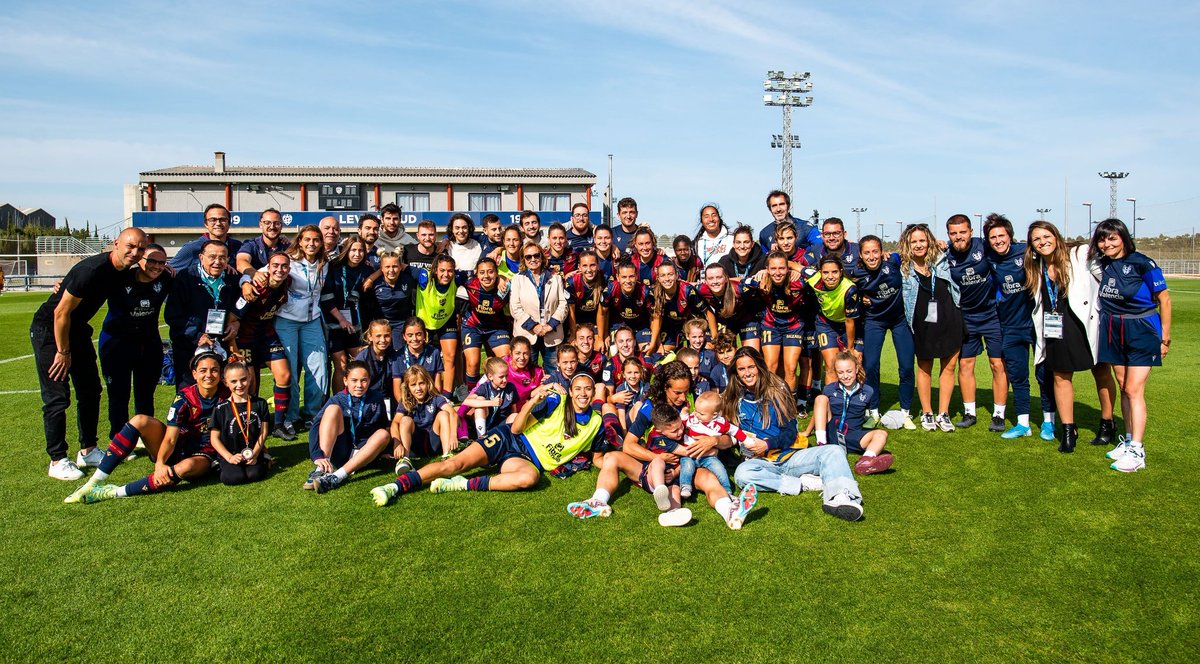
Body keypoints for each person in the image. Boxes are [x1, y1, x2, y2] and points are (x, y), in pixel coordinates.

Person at [370, 375, 618, 506]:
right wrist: (532, 402)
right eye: (578, 389)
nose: (583, 394)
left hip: (526, 461)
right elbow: (519, 428)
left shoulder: (596, 423)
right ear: (571, 390)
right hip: (509, 438)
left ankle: (461, 485)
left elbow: (597, 458)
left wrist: (613, 463)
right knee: (455, 464)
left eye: (588, 389)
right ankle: (396, 486)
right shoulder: (555, 402)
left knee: (530, 479)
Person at [33, 227, 147, 480]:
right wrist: (63, 351)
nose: (135, 252)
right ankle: (57, 459)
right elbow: (60, 313)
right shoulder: (92, 270)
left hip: (78, 331)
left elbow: (150, 272)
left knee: (90, 390)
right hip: (51, 332)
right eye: (130, 246)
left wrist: (168, 269)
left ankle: (88, 450)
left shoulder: (121, 272)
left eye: (140, 248)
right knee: (57, 396)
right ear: (116, 243)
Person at [723, 347, 864, 521]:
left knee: (834, 450)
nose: (747, 373)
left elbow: (790, 433)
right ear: (736, 373)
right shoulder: (732, 399)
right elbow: (726, 430)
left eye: (751, 367)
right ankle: (801, 483)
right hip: (761, 463)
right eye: (741, 369)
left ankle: (841, 497)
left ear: (759, 366)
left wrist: (767, 444)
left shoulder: (777, 390)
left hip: (790, 456)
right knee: (742, 474)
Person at [66, 353, 228, 504]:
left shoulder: (228, 395)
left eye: (214, 370)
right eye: (203, 370)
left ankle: (111, 492)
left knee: (186, 467)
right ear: (194, 374)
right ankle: (93, 482)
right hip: (178, 447)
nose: (209, 375)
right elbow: (171, 438)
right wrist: (160, 463)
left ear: (221, 374)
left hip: (205, 454)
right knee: (140, 420)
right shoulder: (184, 398)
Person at [1090, 219, 1170, 472]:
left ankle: (1138, 449)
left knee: (1134, 389)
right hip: (1113, 329)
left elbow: (1164, 300)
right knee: (1124, 386)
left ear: (1123, 238)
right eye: (1103, 239)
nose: (1107, 244)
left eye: (1112, 238)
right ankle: (1127, 439)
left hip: (1142, 329)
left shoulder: (1143, 263)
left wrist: (1164, 338)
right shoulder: (1102, 263)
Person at [1025, 221, 1094, 453]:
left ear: (1056, 236)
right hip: (1054, 329)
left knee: (1101, 371)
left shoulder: (1078, 254)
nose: (1043, 241)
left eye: (1046, 236)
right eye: (1036, 239)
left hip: (1082, 324)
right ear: (1032, 246)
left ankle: (1107, 423)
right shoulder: (1035, 267)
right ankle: (1068, 429)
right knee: (1061, 377)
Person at [99, 243, 171, 439]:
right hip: (116, 343)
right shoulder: (120, 278)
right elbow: (87, 282)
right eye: (152, 261)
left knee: (146, 392)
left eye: (162, 262)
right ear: (140, 260)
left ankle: (145, 434)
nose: (156, 266)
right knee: (119, 394)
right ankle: (118, 437)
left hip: (148, 343)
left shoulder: (166, 278)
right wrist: (61, 284)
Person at [945, 214, 1006, 429]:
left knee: (997, 364)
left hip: (991, 315)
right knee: (965, 364)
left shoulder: (985, 245)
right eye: (954, 233)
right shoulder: (946, 255)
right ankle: (969, 412)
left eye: (963, 232)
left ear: (971, 231)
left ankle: (999, 414)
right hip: (965, 317)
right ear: (949, 235)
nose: (959, 236)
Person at [899, 223, 961, 433]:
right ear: (907, 244)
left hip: (949, 319)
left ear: (930, 241)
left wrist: (943, 245)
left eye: (922, 240)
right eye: (914, 241)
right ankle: (927, 412)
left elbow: (960, 246)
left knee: (949, 367)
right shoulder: (903, 268)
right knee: (925, 368)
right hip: (922, 325)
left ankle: (943, 413)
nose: (918, 245)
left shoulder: (941, 260)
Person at [983, 214, 1037, 437]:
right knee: (1018, 375)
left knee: (1047, 373)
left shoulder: (1026, 251)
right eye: (993, 237)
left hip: (1037, 323)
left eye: (1001, 235)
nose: (997, 240)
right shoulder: (989, 257)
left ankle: (1050, 421)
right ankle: (1023, 423)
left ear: (1010, 235)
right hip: (1010, 325)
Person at [230, 251, 293, 439]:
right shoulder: (256, 286)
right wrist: (233, 347)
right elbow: (232, 318)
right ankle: (249, 425)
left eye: (284, 266)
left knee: (284, 375)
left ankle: (279, 425)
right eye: (275, 266)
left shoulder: (286, 283)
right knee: (249, 384)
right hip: (245, 338)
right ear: (268, 267)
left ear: (289, 269)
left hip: (266, 334)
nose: (280, 270)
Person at [856, 236, 915, 429]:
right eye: (867, 252)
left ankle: (906, 412)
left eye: (875, 251)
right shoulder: (856, 273)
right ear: (860, 255)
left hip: (899, 321)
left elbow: (914, 250)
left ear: (882, 252)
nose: (872, 256)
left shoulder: (893, 260)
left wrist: (942, 244)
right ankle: (872, 410)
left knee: (906, 366)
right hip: (875, 321)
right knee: (871, 365)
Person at [305, 360, 391, 493]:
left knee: (384, 434)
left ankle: (336, 477)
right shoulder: (338, 399)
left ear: (369, 380)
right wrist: (317, 456)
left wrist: (385, 450)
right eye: (354, 380)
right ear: (345, 381)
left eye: (364, 380)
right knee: (333, 409)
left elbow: (384, 425)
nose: (359, 385)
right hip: (341, 450)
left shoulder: (377, 397)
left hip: (363, 453)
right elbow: (316, 426)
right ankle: (322, 469)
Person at [274, 225, 329, 430]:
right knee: (290, 370)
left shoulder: (325, 263)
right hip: (287, 320)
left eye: (316, 240)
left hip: (312, 320)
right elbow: (263, 272)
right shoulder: (289, 261)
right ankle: (290, 416)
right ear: (300, 241)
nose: (311, 244)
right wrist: (246, 278)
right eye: (307, 240)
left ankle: (312, 414)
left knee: (319, 369)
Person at [164, 240, 240, 387]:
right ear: (201, 257)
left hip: (219, 345)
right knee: (189, 392)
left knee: (220, 392)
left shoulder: (232, 278)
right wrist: (198, 335)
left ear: (228, 260)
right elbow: (173, 316)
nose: (217, 262)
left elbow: (239, 306)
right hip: (189, 347)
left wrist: (236, 321)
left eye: (222, 257)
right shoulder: (185, 278)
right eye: (212, 257)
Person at [807, 351, 894, 475]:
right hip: (832, 433)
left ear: (857, 368)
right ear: (836, 372)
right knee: (820, 399)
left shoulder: (868, 391)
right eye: (840, 372)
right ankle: (822, 447)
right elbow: (819, 412)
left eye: (849, 371)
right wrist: (807, 431)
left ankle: (864, 462)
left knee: (881, 434)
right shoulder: (829, 389)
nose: (845, 376)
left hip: (853, 435)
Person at [742, 251, 808, 408]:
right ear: (767, 269)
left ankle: (789, 405)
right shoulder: (762, 280)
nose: (777, 273)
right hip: (771, 325)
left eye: (782, 268)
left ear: (787, 269)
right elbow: (743, 283)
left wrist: (795, 268)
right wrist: (758, 274)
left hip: (793, 326)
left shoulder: (798, 282)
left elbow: (816, 276)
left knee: (791, 368)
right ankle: (770, 402)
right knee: (770, 365)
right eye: (773, 269)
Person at [321, 235, 372, 391]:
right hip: (334, 323)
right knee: (341, 364)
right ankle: (339, 401)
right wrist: (341, 319)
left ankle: (359, 398)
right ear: (346, 250)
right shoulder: (334, 266)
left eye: (361, 251)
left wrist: (372, 277)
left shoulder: (366, 268)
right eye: (353, 250)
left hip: (354, 325)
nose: (357, 254)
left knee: (362, 361)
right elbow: (326, 298)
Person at [209, 361, 271, 486]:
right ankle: (219, 464)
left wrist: (256, 453)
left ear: (249, 377)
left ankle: (263, 459)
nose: (239, 385)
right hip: (230, 454)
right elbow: (214, 438)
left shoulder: (260, 403)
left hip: (252, 451)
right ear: (226, 383)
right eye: (233, 381)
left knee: (256, 474)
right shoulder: (221, 408)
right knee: (234, 478)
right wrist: (229, 457)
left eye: (243, 379)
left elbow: (263, 432)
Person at [510, 242, 568, 373]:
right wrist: (534, 326)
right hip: (527, 334)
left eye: (536, 255)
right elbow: (515, 308)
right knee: (526, 372)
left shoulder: (556, 278)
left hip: (552, 333)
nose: (533, 259)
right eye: (528, 257)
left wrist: (550, 325)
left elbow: (563, 304)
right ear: (523, 260)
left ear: (542, 257)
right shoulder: (517, 279)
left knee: (555, 372)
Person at [408, 253, 462, 396]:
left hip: (446, 321)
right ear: (436, 270)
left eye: (450, 270)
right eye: (442, 270)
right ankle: (423, 393)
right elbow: (403, 267)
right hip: (425, 323)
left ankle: (447, 395)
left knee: (450, 356)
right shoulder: (424, 277)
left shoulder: (457, 278)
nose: (446, 274)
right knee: (423, 359)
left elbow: (476, 275)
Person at [805, 255, 860, 385]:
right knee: (831, 366)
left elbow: (849, 321)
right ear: (820, 273)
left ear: (841, 272)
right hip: (826, 324)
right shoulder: (814, 279)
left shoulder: (850, 289)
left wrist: (850, 348)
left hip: (846, 325)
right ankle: (832, 402)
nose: (830, 276)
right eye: (825, 272)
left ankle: (856, 401)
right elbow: (793, 265)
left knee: (853, 364)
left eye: (834, 272)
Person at [460, 257, 513, 392]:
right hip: (473, 326)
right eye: (482, 272)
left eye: (490, 272)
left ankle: (500, 393)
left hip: (496, 328)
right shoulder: (470, 281)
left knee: (505, 362)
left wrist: (502, 278)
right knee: (472, 363)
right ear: (477, 273)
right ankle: (473, 395)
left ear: (496, 273)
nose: (486, 276)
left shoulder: (505, 287)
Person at [678, 391, 743, 497]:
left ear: (714, 415)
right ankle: (685, 486)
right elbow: (682, 422)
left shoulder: (719, 423)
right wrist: (685, 412)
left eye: (701, 413)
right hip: (689, 454)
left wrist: (747, 441)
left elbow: (734, 431)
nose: (696, 414)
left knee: (719, 468)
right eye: (695, 410)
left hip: (708, 456)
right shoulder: (693, 418)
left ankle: (727, 490)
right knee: (687, 466)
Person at [646, 262, 715, 357]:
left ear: (677, 275)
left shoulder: (687, 290)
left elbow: (708, 312)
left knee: (709, 348)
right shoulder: (654, 293)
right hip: (670, 326)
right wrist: (657, 343)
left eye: (670, 274)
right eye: (663, 275)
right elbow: (656, 319)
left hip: (691, 322)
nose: (667, 279)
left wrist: (715, 337)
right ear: (658, 278)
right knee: (662, 353)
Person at [392, 365, 459, 463]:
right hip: (415, 444)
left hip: (434, 441)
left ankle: (447, 455)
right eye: (413, 385)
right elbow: (395, 423)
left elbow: (453, 413)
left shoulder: (436, 398)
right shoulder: (405, 402)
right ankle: (405, 460)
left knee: (444, 414)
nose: (418, 388)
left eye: (421, 383)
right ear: (407, 387)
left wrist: (453, 435)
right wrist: (396, 443)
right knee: (405, 420)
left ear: (428, 383)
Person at [697, 263, 763, 351]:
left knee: (751, 354)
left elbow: (759, 283)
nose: (715, 281)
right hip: (724, 321)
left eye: (719, 277)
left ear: (726, 278)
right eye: (710, 278)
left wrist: (765, 272)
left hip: (746, 320)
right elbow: (686, 285)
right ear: (705, 281)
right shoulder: (701, 289)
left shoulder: (739, 289)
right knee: (720, 350)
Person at [168, 204, 242, 272]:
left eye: (223, 220)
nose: (218, 223)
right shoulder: (192, 248)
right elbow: (169, 270)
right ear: (206, 224)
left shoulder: (238, 246)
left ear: (229, 223)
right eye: (213, 220)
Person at [458, 356, 518, 439]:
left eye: (506, 376)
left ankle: (510, 440)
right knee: (480, 400)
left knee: (515, 415)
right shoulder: (485, 387)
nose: (505, 380)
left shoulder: (511, 387)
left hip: (502, 425)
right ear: (490, 377)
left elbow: (513, 408)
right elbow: (466, 401)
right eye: (501, 377)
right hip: (486, 424)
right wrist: (490, 403)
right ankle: (481, 438)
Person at [369, 250, 417, 345]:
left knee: (397, 352)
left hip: (401, 323)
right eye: (387, 267)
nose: (391, 270)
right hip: (381, 323)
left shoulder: (408, 280)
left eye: (395, 266)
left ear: (400, 267)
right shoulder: (375, 284)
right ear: (381, 268)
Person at [605, 259, 654, 351]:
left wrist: (655, 341)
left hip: (641, 326)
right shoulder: (610, 289)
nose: (628, 280)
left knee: (648, 351)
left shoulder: (645, 291)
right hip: (618, 324)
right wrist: (603, 336)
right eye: (624, 277)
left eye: (631, 276)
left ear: (636, 276)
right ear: (618, 277)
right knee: (614, 351)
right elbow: (602, 313)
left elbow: (655, 317)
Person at [353, 319, 404, 405]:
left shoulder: (396, 356)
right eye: (378, 336)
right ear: (370, 337)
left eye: (386, 336)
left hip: (391, 400)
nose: (383, 340)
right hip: (367, 401)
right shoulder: (362, 359)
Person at [565, 250, 609, 342]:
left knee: (599, 347)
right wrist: (573, 334)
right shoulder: (572, 282)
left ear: (598, 266)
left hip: (596, 322)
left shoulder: (605, 280)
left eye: (592, 265)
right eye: (585, 266)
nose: (589, 270)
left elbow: (604, 312)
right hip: (577, 322)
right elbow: (571, 311)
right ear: (579, 267)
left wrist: (603, 336)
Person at [235, 208, 291, 275]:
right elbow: (241, 262)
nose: (272, 227)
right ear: (261, 224)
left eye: (277, 223)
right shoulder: (251, 245)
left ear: (281, 226)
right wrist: (255, 274)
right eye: (267, 223)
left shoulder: (288, 246)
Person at [609, 356, 649, 430]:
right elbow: (621, 414)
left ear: (641, 373)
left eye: (636, 372)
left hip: (644, 419)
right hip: (629, 422)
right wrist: (624, 432)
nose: (633, 376)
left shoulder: (646, 386)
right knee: (638, 405)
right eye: (629, 373)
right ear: (623, 374)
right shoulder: (622, 389)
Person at [505, 337, 545, 408]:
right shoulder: (501, 365)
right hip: (502, 409)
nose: (522, 357)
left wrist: (548, 382)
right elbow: (480, 388)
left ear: (530, 354)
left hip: (526, 410)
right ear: (511, 353)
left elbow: (538, 393)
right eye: (517, 353)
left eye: (525, 353)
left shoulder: (536, 372)